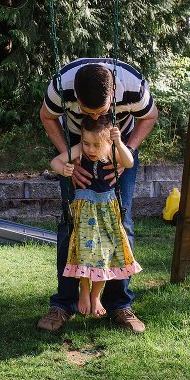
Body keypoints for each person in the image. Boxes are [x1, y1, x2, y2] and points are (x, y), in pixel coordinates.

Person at [38, 58, 158, 333]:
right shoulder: (61, 86)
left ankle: (120, 305)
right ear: (75, 96)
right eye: (86, 110)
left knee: (120, 225)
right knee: (71, 226)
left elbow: (149, 117)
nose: (93, 117)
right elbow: (47, 116)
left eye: (100, 111)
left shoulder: (132, 85)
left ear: (113, 93)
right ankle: (64, 304)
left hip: (119, 148)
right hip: (77, 148)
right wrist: (69, 159)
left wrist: (123, 149)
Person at [50, 115, 142, 318]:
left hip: (107, 214)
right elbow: (55, 161)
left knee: (105, 254)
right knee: (83, 251)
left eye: (96, 144)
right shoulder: (80, 151)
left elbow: (128, 162)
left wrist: (118, 142)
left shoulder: (112, 150)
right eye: (86, 143)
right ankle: (84, 290)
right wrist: (63, 169)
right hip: (84, 212)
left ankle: (96, 295)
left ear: (108, 141)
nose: (90, 149)